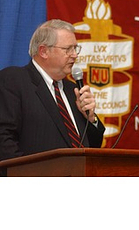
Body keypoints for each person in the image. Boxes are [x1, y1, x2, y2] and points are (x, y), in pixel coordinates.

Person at [0, 19, 105, 173]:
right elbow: (3, 139)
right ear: (43, 51)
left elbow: (91, 146)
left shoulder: (72, 89)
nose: (74, 55)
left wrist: (91, 119)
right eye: (68, 49)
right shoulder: (14, 80)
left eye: (76, 48)